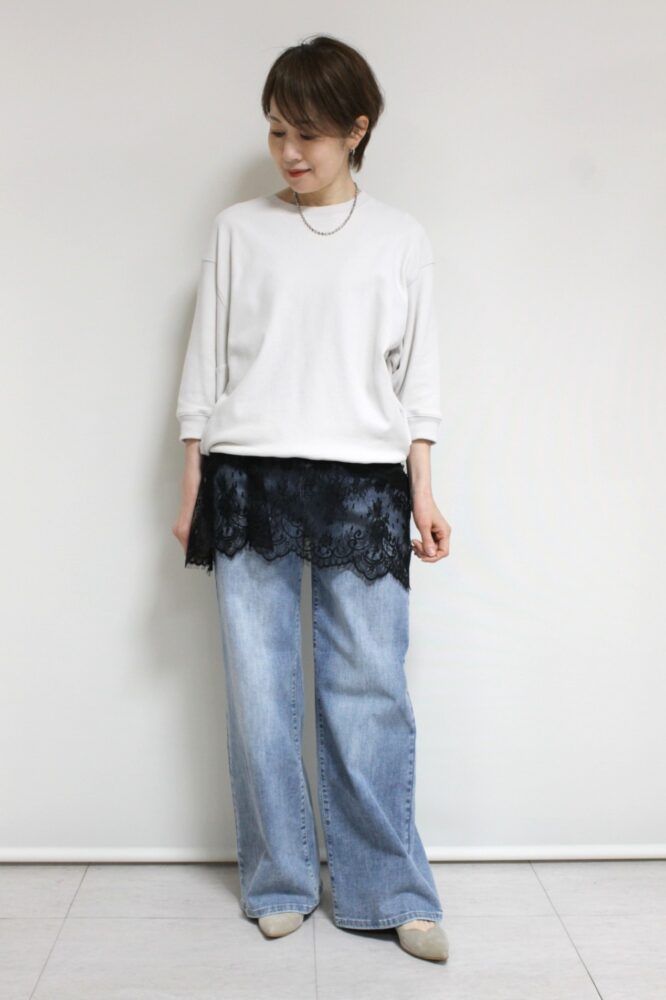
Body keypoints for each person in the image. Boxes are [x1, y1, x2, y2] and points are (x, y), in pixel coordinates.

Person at [172, 34, 451, 964]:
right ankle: (279, 879)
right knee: (259, 693)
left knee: (370, 693)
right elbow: (204, 366)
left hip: (363, 482)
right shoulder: (238, 230)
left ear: (356, 130)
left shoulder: (400, 238)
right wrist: (192, 485)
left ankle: (389, 891)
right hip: (248, 476)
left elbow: (419, 383)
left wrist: (424, 491)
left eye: (308, 134)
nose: (288, 152)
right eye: (276, 131)